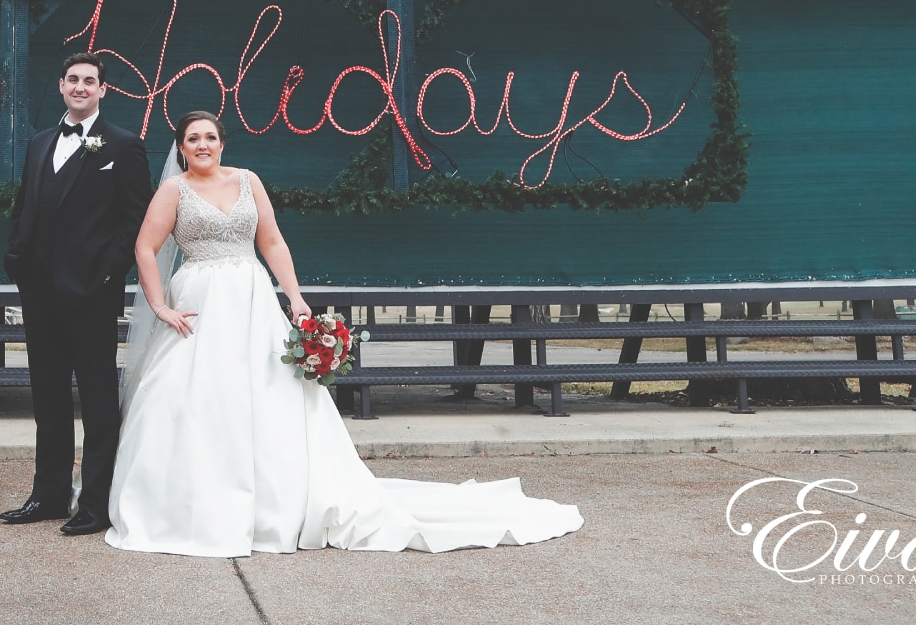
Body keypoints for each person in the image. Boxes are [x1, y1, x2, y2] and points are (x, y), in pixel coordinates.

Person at [105, 109, 584, 556]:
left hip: (252, 296)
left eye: (211, 137)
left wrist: (293, 296)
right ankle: (195, 501)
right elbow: (146, 247)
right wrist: (160, 307)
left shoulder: (248, 182)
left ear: (222, 144)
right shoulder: (174, 190)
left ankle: (275, 502)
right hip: (200, 300)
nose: (203, 144)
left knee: (269, 393)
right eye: (194, 139)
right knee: (195, 397)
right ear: (182, 148)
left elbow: (271, 240)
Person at [0, 51, 153, 535]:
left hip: (92, 291)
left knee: (97, 397)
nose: (81, 87)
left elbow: (134, 219)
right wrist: (17, 258)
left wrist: (107, 273)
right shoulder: (40, 142)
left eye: (90, 80)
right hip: (39, 290)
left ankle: (96, 503)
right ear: (62, 86)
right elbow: (25, 203)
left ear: (103, 90)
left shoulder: (123, 146)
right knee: (46, 394)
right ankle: (48, 495)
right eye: (73, 80)